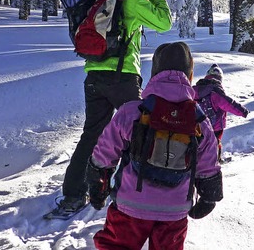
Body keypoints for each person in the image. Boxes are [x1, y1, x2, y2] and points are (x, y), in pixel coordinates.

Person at [51, 0, 172, 217]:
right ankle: (128, 192)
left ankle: (73, 194)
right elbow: (165, 22)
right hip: (123, 77)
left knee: (91, 135)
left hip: (93, 76)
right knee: (138, 134)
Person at [85, 41, 222, 250]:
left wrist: (98, 183)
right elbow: (209, 163)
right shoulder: (199, 120)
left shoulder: (133, 111)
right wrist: (209, 197)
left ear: (155, 73)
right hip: (175, 210)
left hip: (130, 204)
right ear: (190, 74)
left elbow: (105, 152)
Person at [193, 64, 250, 162]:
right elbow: (229, 104)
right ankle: (216, 161)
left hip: (197, 124)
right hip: (215, 126)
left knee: (198, 142)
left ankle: (196, 160)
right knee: (215, 143)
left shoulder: (196, 90)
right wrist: (243, 111)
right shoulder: (216, 92)